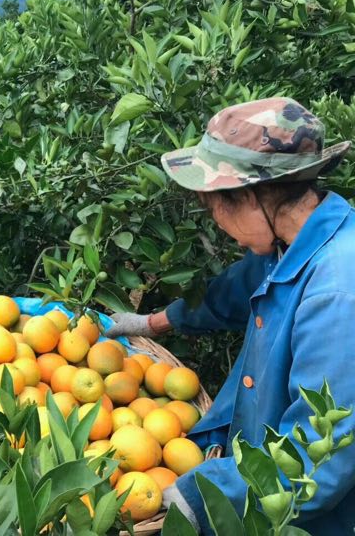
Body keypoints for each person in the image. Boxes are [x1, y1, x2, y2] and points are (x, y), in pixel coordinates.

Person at [105, 98, 355, 534]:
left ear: (247, 196)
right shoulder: (294, 242)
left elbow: (317, 460)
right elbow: (233, 292)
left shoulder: (335, 295)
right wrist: (153, 323)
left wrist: (203, 496)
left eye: (212, 205)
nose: (216, 221)